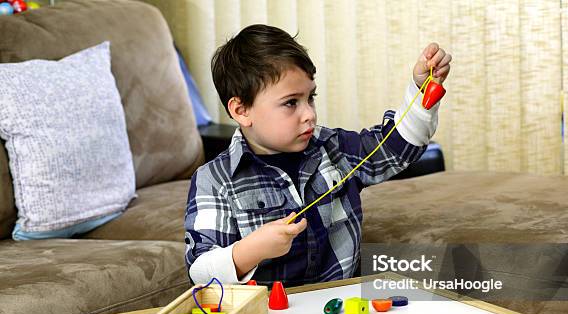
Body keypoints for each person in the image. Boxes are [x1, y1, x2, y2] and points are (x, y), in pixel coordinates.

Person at [185, 24, 451, 287]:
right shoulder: (214, 180)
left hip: (345, 308)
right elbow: (200, 273)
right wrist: (250, 250)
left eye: (310, 97)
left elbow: (397, 149)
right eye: (291, 102)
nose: (309, 113)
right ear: (242, 110)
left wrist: (422, 91)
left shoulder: (333, 147)